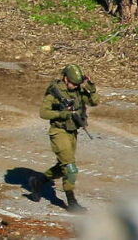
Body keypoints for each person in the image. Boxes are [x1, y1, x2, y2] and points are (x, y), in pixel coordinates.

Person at [29, 63, 99, 213]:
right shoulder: (55, 92)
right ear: (65, 78)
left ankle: (38, 181)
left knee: (63, 167)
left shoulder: (79, 90)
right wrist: (62, 114)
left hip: (72, 132)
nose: (74, 86)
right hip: (59, 132)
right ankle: (71, 201)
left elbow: (94, 101)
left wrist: (91, 87)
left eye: (77, 83)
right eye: (73, 83)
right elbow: (44, 113)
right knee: (70, 168)